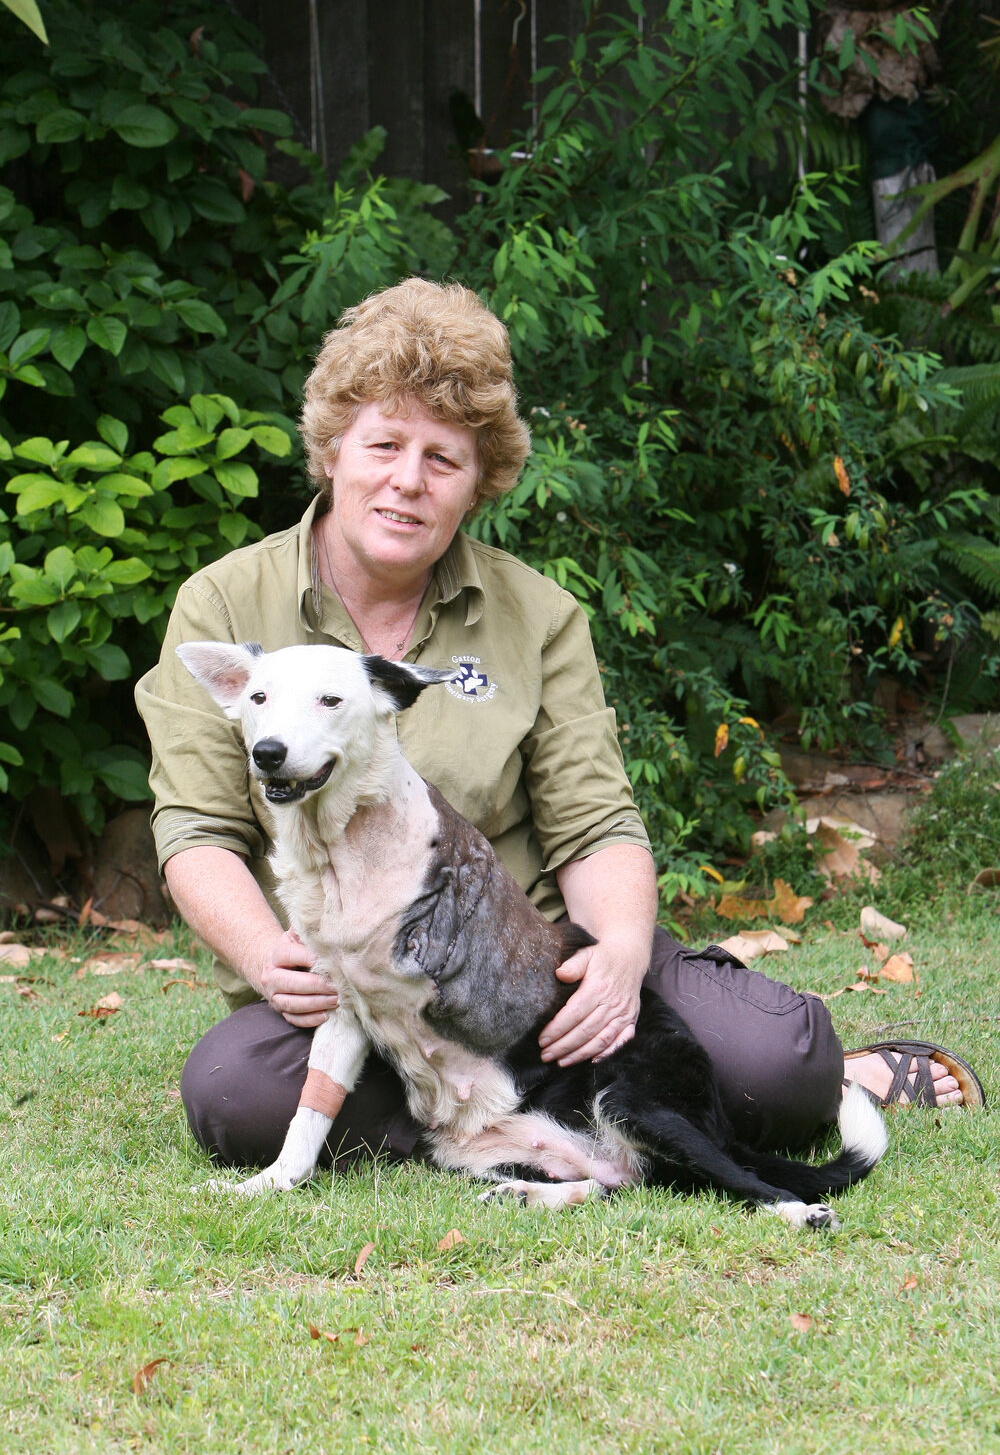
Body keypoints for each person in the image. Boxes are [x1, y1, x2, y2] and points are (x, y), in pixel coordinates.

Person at [135, 277, 983, 1175]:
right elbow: (195, 831)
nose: (407, 481)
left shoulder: (538, 615)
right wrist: (265, 956)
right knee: (237, 1099)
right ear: (334, 448)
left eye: (443, 459)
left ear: (478, 483)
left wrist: (617, 958)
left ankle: (757, 1083)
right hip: (354, 994)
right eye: (384, 444)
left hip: (534, 973)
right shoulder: (224, 603)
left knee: (779, 1067)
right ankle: (520, 1122)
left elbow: (595, 823)